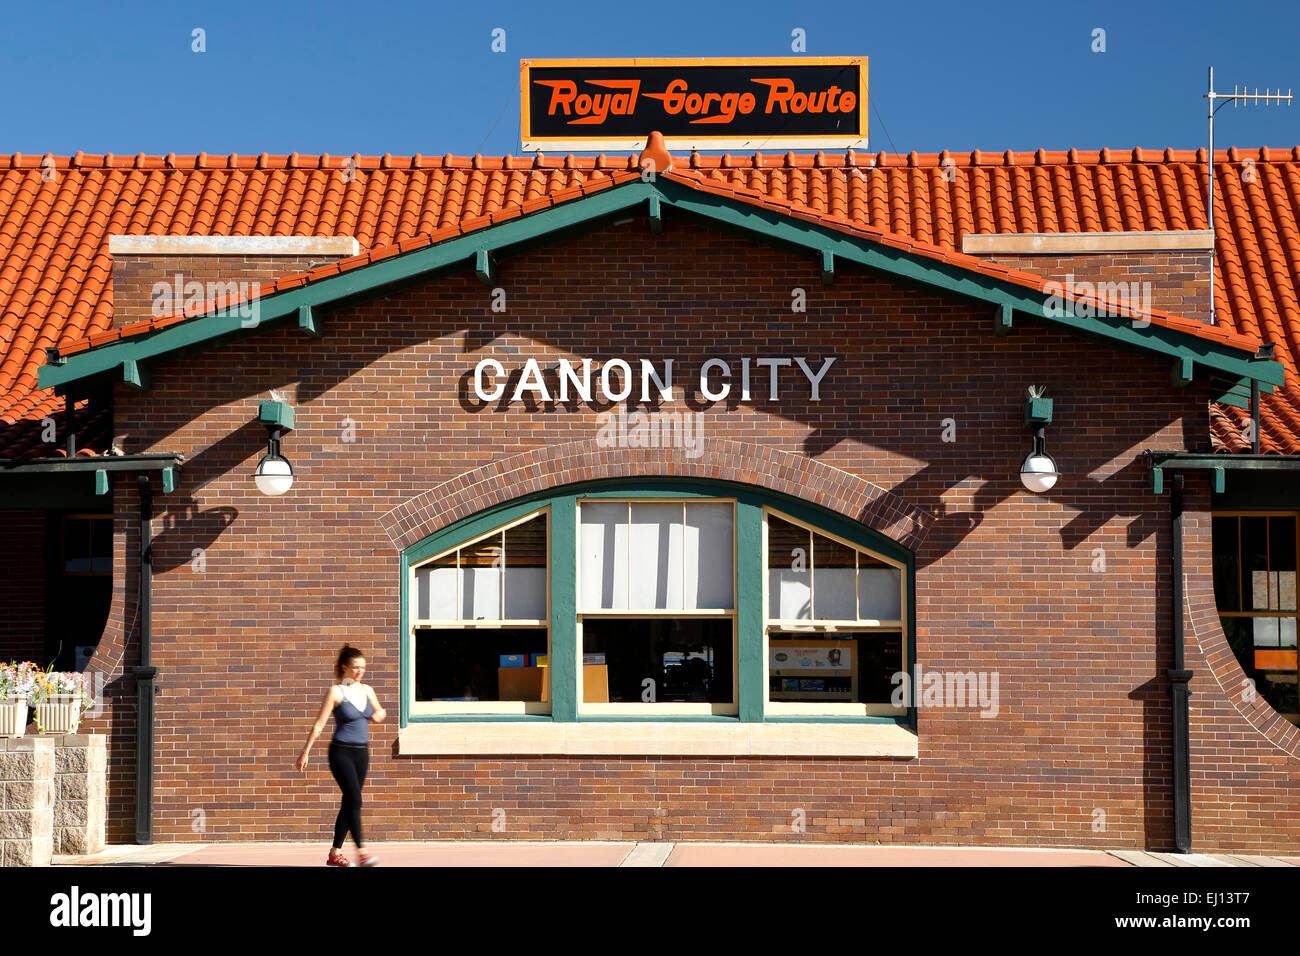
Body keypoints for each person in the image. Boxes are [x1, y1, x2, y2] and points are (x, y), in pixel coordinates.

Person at [296, 645, 386, 866]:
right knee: (355, 799)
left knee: (350, 802)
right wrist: (305, 752)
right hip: (341, 752)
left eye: (363, 667)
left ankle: (335, 853)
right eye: (356, 667)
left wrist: (378, 715)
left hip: (361, 754)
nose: (360, 671)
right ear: (345, 667)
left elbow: (380, 711)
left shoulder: (367, 690)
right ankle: (363, 852)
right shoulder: (336, 692)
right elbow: (319, 724)